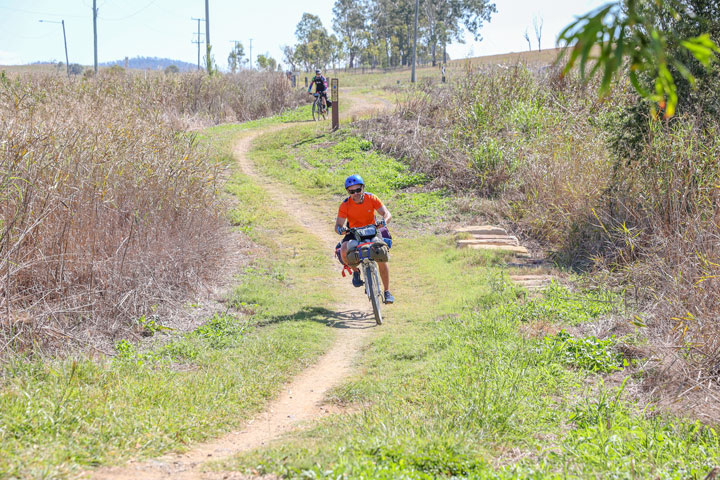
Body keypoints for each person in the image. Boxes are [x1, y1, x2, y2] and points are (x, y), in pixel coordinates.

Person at [335, 174, 394, 304]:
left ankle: (387, 291)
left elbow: (387, 213)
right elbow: (338, 225)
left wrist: (384, 221)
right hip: (353, 232)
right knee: (344, 250)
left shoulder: (371, 198)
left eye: (358, 190)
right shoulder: (345, 205)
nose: (355, 193)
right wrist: (341, 229)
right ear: (348, 192)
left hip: (372, 230)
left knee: (381, 255)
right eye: (352, 191)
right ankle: (356, 271)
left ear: (363, 188)